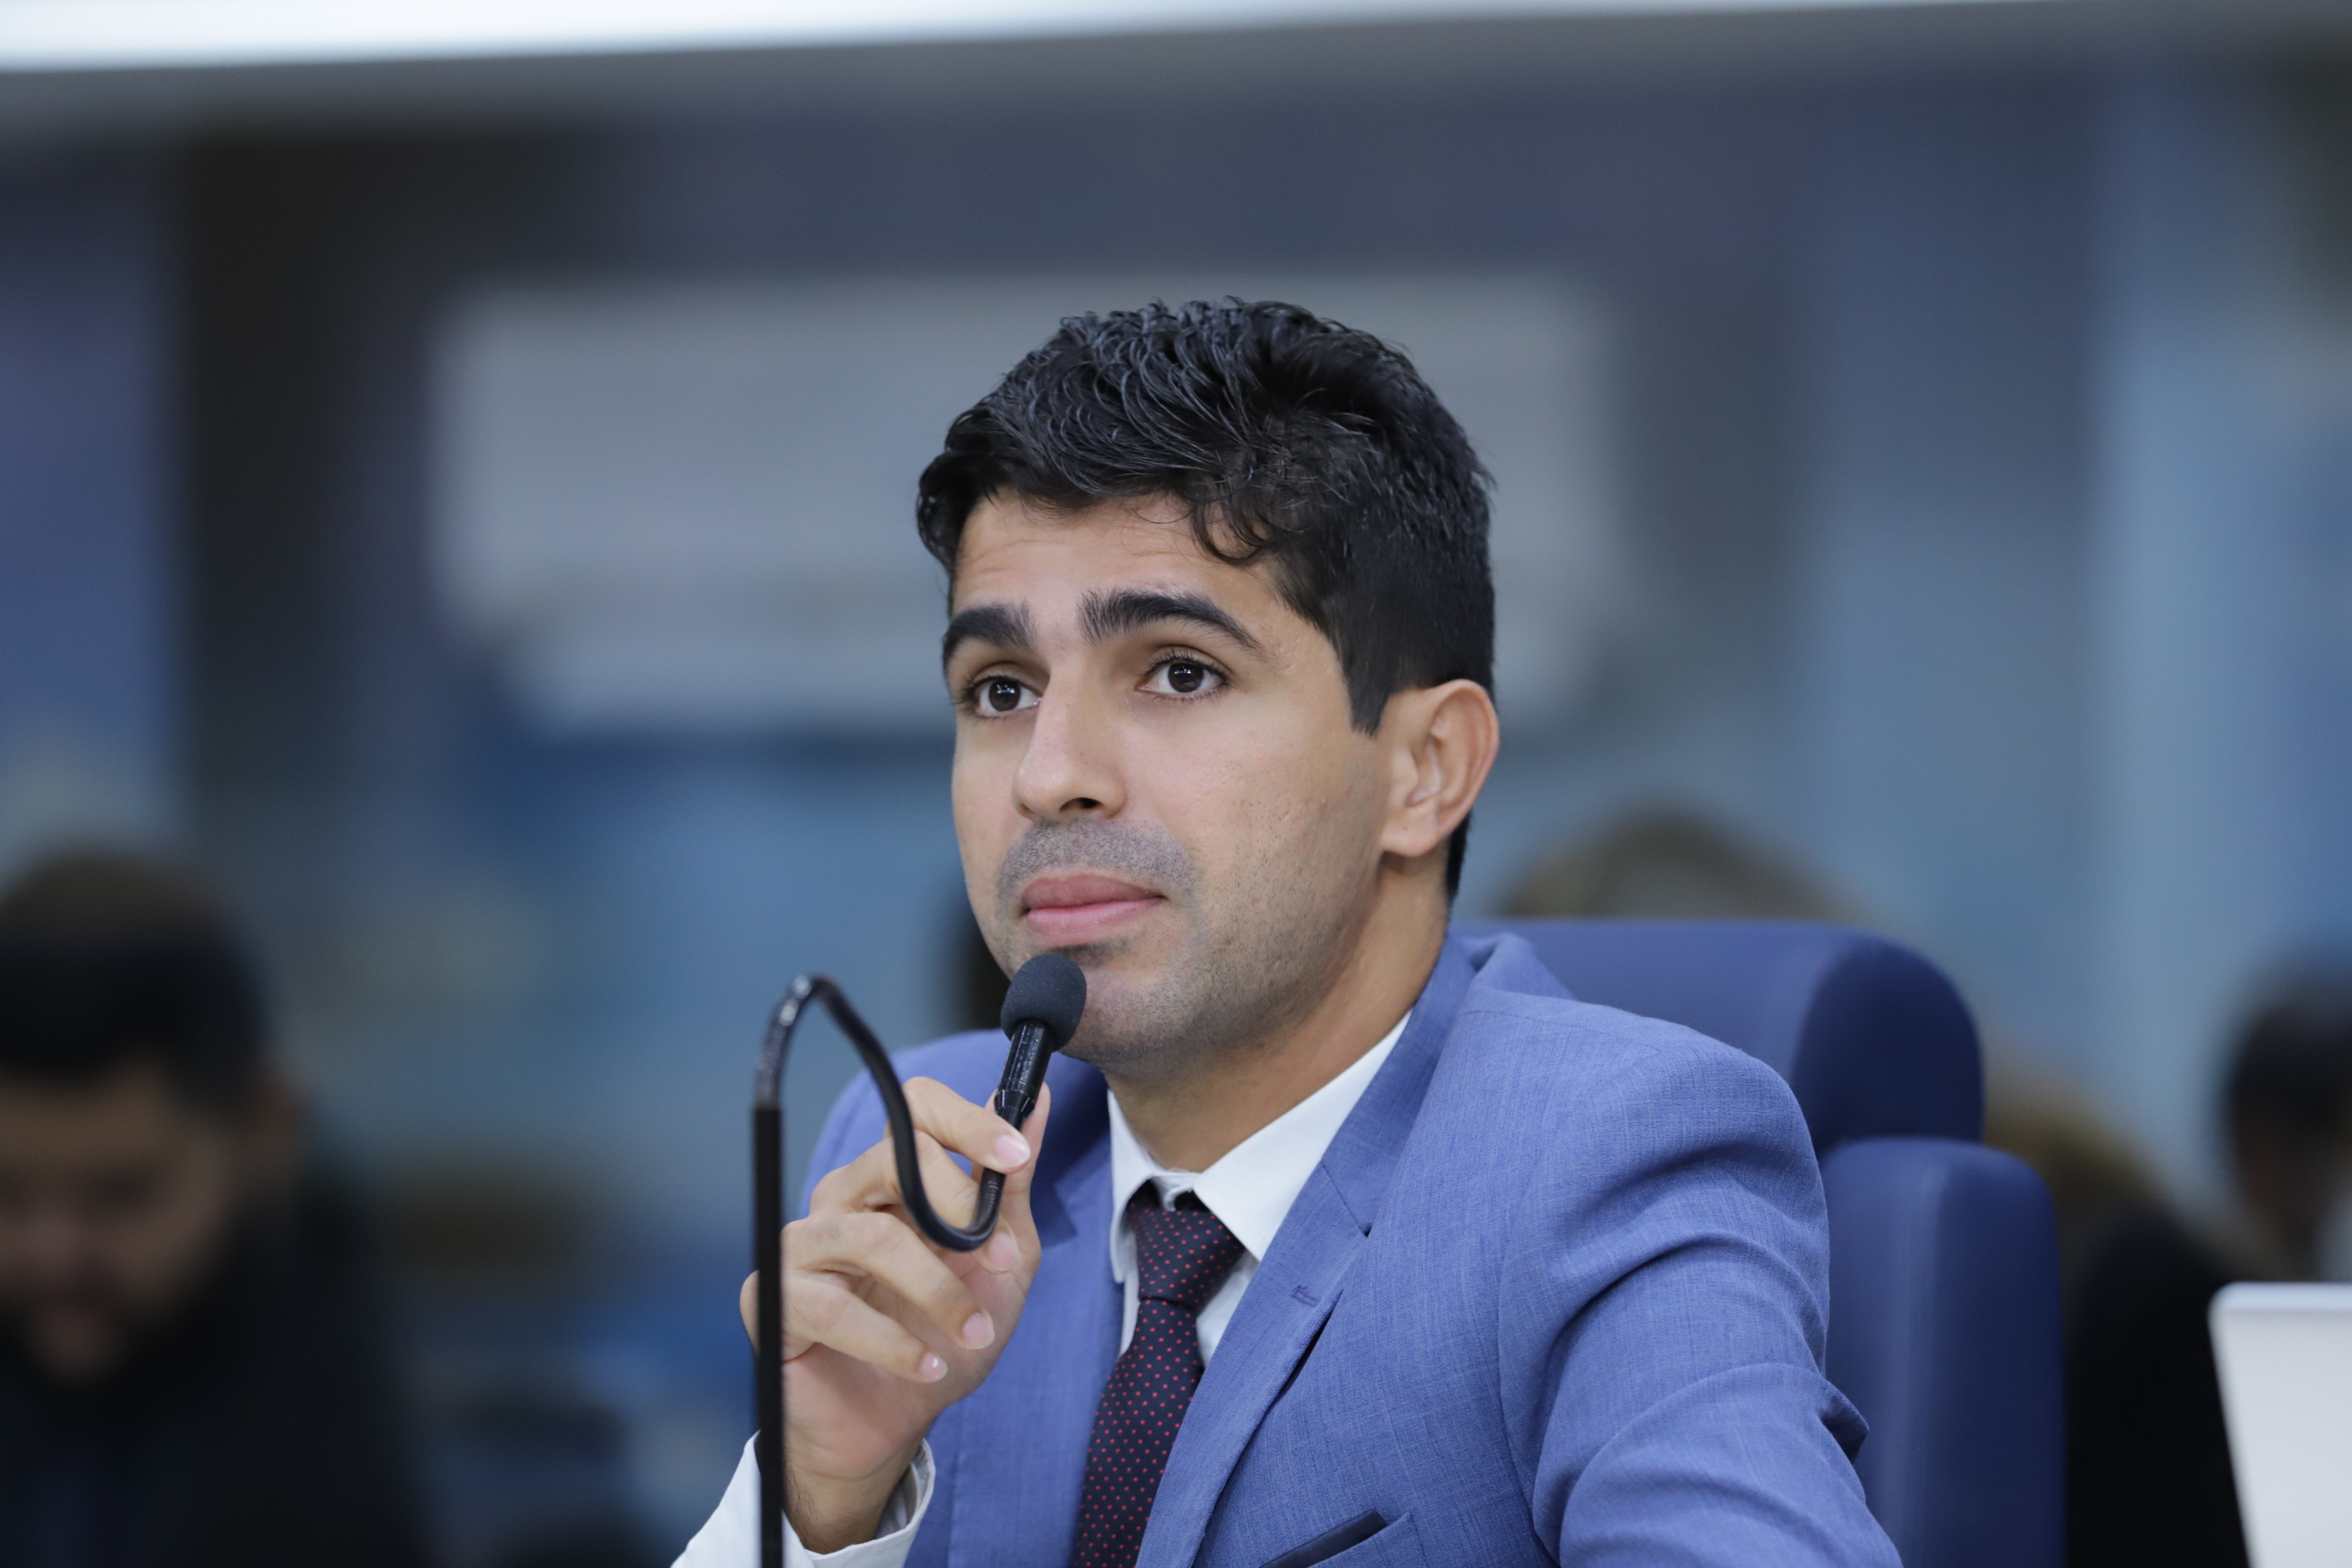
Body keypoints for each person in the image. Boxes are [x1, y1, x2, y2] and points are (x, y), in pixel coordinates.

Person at [677, 301, 1897, 1567]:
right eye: (1001, 690)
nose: (1048, 776)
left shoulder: (1610, 1162)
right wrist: (821, 1505)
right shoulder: (930, 1158)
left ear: (1425, 768)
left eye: (1180, 672)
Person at [0, 850, 428, 1568]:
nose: (53, 1252)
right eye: (6, 1193)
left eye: (120, 1194)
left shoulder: (349, 1467)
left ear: (265, 1131)